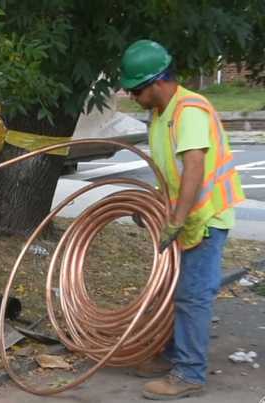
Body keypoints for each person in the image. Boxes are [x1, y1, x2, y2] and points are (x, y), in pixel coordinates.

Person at [119, 40, 246, 400]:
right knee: (176, 290)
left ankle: (189, 373)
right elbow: (170, 175)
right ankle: (174, 354)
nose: (132, 96)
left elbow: (193, 168)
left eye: (136, 89)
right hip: (186, 216)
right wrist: (157, 209)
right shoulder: (161, 115)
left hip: (207, 216)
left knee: (193, 296)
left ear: (157, 82)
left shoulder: (189, 110)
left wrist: (175, 220)